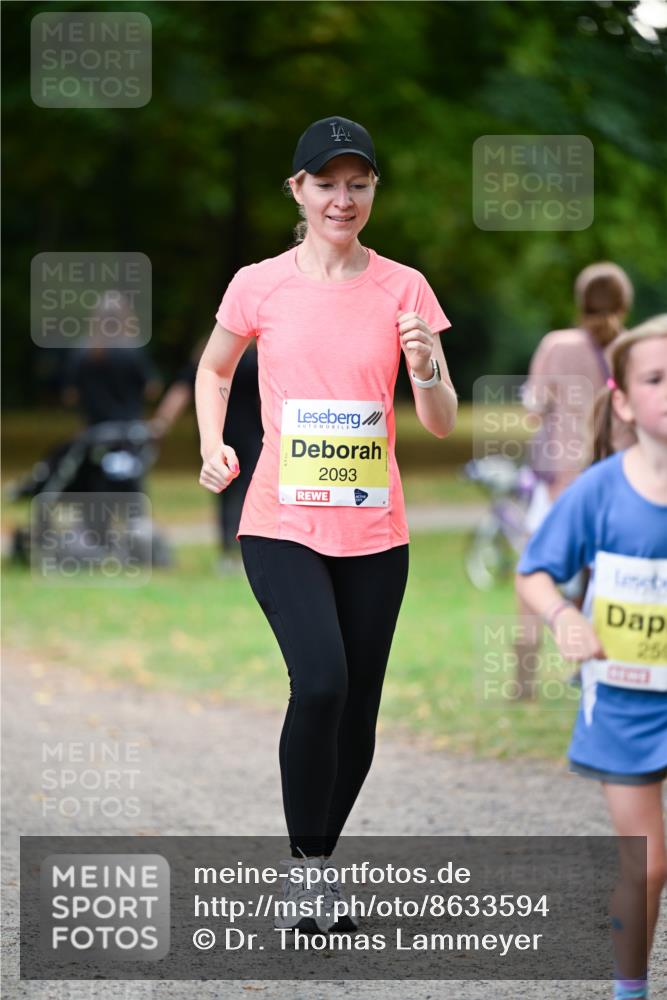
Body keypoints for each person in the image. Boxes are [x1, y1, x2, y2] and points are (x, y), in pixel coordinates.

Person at [195, 116, 457, 931]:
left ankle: (315, 865)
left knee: (361, 711)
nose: (342, 198)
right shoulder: (258, 284)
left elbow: (442, 421)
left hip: (376, 529)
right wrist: (213, 445)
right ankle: (308, 872)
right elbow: (213, 368)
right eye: (326, 183)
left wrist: (426, 366)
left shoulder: (404, 288)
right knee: (320, 683)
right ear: (297, 190)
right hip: (279, 520)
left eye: (358, 183)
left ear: (372, 190)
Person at [516, 315, 667, 1000]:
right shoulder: (598, 490)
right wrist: (564, 616)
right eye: (656, 378)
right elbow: (534, 571)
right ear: (626, 401)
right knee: (647, 865)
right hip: (627, 702)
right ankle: (628, 991)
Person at [514, 262, 635, 698]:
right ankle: (604, 668)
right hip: (618, 482)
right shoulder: (634, 350)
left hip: (560, 482)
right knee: (610, 577)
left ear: (579, 303)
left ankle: (523, 677)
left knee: (534, 569)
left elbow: (533, 407)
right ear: (624, 304)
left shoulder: (557, 345)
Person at [150, 338, 262, 571]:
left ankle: (228, 550)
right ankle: (238, 551)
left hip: (219, 434)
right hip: (248, 433)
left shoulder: (211, 356)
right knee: (246, 493)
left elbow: (181, 390)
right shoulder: (255, 357)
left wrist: (162, 422)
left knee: (226, 492)